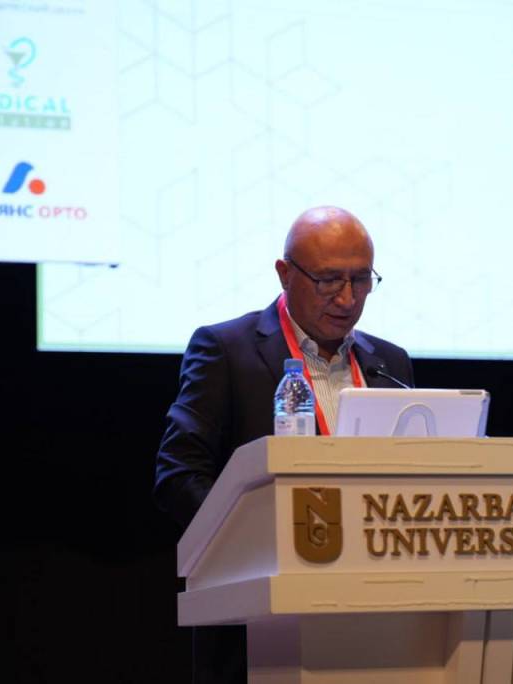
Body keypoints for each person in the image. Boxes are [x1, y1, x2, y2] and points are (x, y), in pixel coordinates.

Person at [154, 206, 414, 684]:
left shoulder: (389, 363)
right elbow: (179, 474)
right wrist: (259, 544)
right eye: (329, 280)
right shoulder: (226, 349)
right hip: (259, 620)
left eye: (361, 280)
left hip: (377, 614)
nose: (347, 298)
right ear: (285, 274)